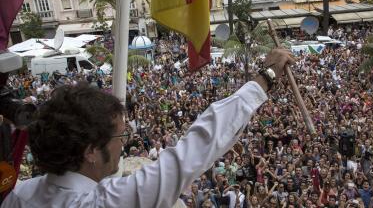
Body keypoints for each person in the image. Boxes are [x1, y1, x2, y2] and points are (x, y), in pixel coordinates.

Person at [1, 48, 295, 207]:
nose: (123, 144)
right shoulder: (104, 203)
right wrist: (266, 76)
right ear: (91, 150)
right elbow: (199, 145)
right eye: (119, 136)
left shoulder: (19, 195)